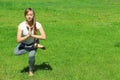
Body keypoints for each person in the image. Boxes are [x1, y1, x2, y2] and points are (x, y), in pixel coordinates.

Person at [14, 8, 46, 76]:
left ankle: (30, 70)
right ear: (25, 16)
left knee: (31, 56)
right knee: (15, 52)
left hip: (34, 42)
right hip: (24, 44)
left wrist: (32, 35)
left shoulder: (38, 24)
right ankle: (35, 46)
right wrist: (27, 36)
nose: (29, 16)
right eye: (27, 14)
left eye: (31, 14)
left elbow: (44, 37)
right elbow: (18, 40)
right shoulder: (21, 25)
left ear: (33, 15)